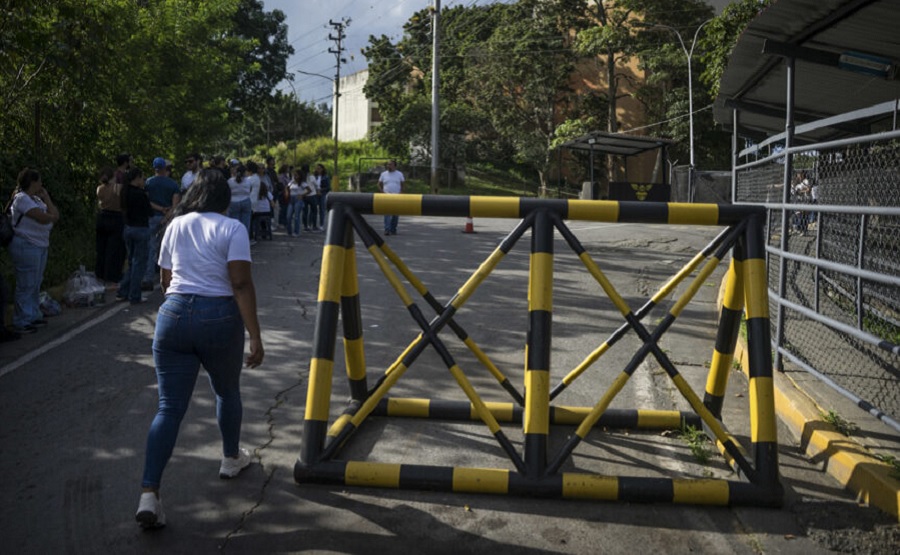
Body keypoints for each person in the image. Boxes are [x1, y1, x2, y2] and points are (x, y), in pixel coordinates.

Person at [135, 168, 263, 530]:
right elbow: (240, 284)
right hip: (218, 316)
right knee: (226, 391)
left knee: (168, 408)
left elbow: (165, 279)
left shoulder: (175, 224)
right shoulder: (232, 229)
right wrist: (255, 335)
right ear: (225, 199)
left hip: (173, 315)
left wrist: (181, 307)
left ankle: (149, 493)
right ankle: (230, 458)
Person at [8, 168, 60, 334]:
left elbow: (54, 214)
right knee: (26, 283)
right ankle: (21, 320)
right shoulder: (21, 198)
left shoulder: (36, 199)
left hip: (40, 244)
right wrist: (51, 217)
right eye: (39, 181)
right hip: (26, 245)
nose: (41, 184)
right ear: (33, 182)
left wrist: (47, 199)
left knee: (36, 282)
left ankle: (32, 314)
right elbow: (41, 217)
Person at [143, 158, 181, 290]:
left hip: (152, 217)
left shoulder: (148, 182)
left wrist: (159, 209)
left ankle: (148, 277)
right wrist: (166, 216)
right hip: (167, 219)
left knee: (151, 247)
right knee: (167, 248)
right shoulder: (173, 184)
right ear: (165, 168)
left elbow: (146, 201)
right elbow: (175, 206)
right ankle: (170, 276)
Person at [117, 167, 151, 305]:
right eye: (142, 178)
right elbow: (149, 211)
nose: (143, 181)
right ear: (137, 178)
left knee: (132, 262)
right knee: (139, 264)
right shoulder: (140, 194)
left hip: (128, 228)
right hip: (140, 229)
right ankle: (135, 295)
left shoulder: (124, 192)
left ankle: (123, 291)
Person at [94, 167, 125, 285]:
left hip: (102, 216)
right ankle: (112, 276)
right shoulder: (118, 188)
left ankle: (100, 273)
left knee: (101, 248)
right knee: (114, 249)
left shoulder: (99, 189)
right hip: (116, 217)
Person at [377, 160, 405, 236]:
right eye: (388, 164)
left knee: (395, 215)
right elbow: (379, 184)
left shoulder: (399, 174)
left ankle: (393, 229)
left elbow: (402, 184)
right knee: (387, 214)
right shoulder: (383, 174)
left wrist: (401, 192)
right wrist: (382, 191)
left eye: (390, 164)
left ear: (395, 166)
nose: (388, 166)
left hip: (397, 196)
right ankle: (387, 229)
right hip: (386, 196)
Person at [227, 162, 253, 238]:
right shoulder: (248, 181)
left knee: (235, 223)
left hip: (233, 202)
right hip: (246, 201)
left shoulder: (230, 181)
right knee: (246, 223)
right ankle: (245, 238)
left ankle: (235, 238)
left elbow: (228, 192)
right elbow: (250, 190)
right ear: (244, 172)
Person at [314, 163, 331, 230]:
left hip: (322, 194)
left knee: (322, 209)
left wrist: (321, 190)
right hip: (315, 194)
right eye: (317, 168)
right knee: (314, 209)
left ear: (322, 169)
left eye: (319, 169)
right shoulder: (314, 177)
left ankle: (321, 225)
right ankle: (313, 225)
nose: (318, 170)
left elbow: (328, 187)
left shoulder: (326, 177)